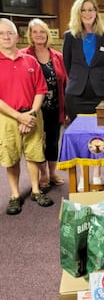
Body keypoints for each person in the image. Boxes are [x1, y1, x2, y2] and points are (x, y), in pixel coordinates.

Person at [0, 18, 54, 215]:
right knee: (11, 156)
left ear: (17, 36)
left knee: (34, 154)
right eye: (1, 33)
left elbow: (41, 90)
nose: (6, 37)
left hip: (32, 112)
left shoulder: (30, 60)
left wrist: (29, 115)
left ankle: (36, 190)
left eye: (10, 33)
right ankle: (14, 195)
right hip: (6, 117)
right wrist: (18, 117)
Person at [63, 0, 104, 190]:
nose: (87, 13)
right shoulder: (70, 37)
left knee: (98, 135)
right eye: (83, 10)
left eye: (91, 9)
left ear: (96, 13)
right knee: (81, 135)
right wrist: (80, 79)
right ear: (78, 13)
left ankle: (97, 174)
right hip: (76, 94)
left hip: (99, 94)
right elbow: (67, 65)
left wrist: (95, 79)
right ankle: (84, 174)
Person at [21, 18, 67, 189]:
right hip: (36, 109)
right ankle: (43, 174)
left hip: (56, 106)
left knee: (54, 141)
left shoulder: (58, 56)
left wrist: (66, 109)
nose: (39, 35)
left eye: (42, 31)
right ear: (30, 36)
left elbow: (64, 83)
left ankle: (53, 172)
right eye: (35, 32)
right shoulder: (24, 56)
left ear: (47, 34)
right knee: (39, 142)